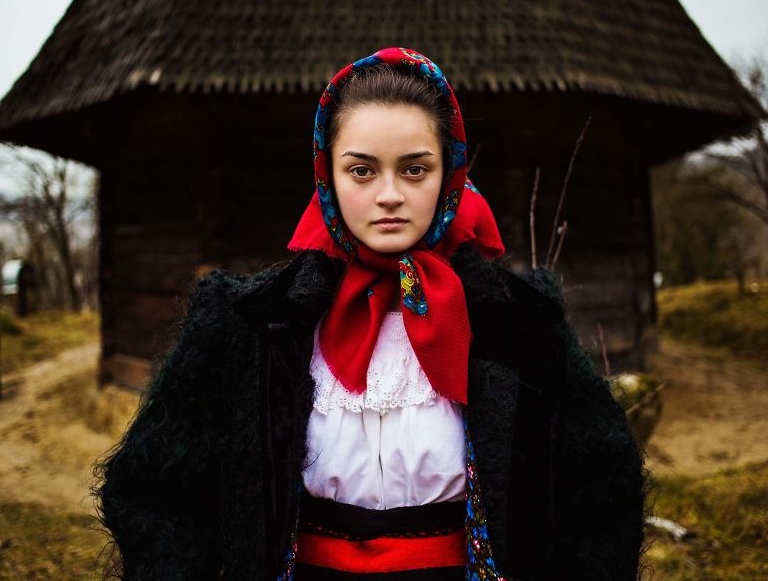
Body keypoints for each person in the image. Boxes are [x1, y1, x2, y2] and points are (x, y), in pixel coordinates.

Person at [93, 47, 649, 580]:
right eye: (362, 171)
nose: (389, 195)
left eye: (414, 170)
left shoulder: (521, 322)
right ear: (327, 176)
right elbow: (154, 490)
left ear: (449, 174)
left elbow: (601, 489)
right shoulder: (249, 320)